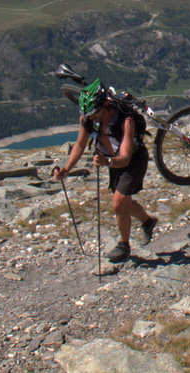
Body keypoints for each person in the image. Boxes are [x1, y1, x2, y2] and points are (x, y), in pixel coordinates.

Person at [53, 78, 157, 263]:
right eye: (89, 114)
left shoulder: (126, 120)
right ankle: (148, 222)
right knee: (124, 203)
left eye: (96, 113)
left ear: (107, 105)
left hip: (133, 160)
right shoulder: (88, 119)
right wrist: (66, 169)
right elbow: (79, 145)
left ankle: (123, 246)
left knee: (118, 203)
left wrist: (106, 161)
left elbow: (124, 158)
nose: (92, 118)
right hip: (111, 161)